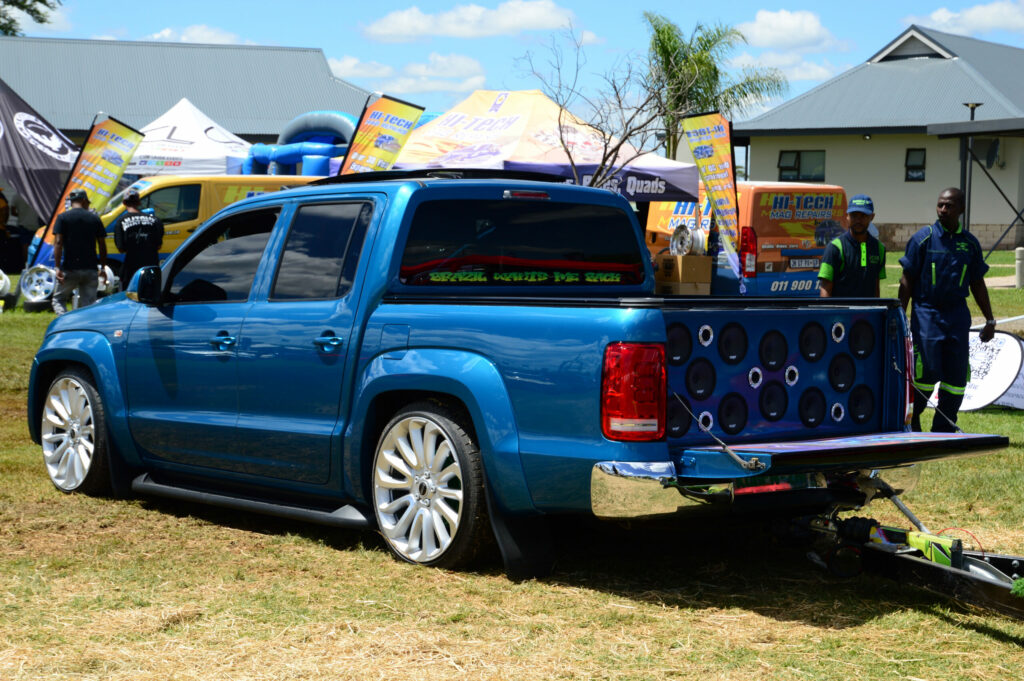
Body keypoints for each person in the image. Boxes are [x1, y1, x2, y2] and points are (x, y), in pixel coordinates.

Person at [898, 187, 996, 432]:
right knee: (927, 371)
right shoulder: (922, 239)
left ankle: (944, 426)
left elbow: (977, 283)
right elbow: (906, 280)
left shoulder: (970, 244)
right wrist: (899, 316)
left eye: (949, 206)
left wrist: (990, 319)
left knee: (956, 376)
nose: (942, 210)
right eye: (940, 204)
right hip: (927, 313)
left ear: (961, 209)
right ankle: (913, 420)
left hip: (957, 316)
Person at [51, 188, 108, 315]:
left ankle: (64, 321)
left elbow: (58, 243)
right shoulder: (94, 219)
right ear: (83, 200)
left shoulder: (62, 218)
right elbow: (102, 245)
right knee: (88, 305)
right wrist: (103, 268)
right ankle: (84, 324)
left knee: (58, 299)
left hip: (70, 268)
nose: (88, 205)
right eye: (88, 202)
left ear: (72, 202)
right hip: (90, 268)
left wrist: (57, 267)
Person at [818, 194, 886, 297]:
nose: (858, 220)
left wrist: (877, 306)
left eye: (863, 216)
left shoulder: (879, 248)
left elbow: (876, 285)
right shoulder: (835, 248)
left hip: (869, 308)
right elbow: (825, 288)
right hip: (841, 308)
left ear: (872, 217)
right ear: (847, 216)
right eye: (854, 215)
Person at [112, 190, 163, 288]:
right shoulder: (155, 220)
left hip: (131, 270)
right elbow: (159, 245)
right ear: (139, 202)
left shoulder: (121, 221)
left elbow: (120, 248)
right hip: (151, 268)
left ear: (124, 203)